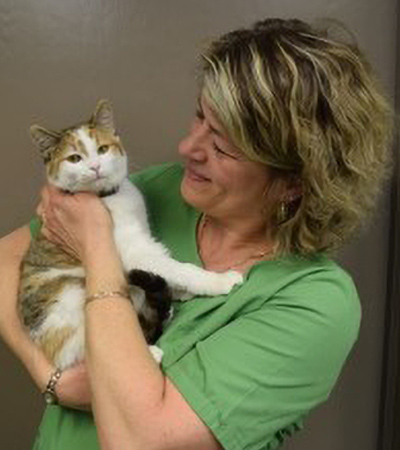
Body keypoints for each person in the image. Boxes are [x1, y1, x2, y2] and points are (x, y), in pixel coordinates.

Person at [0, 18, 393, 450]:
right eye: (200, 116)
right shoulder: (162, 187)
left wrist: (96, 247)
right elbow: (5, 259)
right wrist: (50, 376)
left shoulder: (315, 305)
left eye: (222, 145)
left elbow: (137, 440)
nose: (188, 148)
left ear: (295, 181)